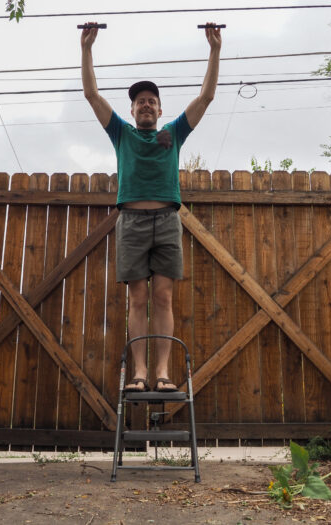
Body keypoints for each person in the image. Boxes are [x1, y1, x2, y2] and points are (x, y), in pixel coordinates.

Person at [81, 23, 221, 392]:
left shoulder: (172, 134)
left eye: (151, 101)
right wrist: (87, 49)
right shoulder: (121, 133)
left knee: (162, 297)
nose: (146, 104)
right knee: (138, 297)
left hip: (167, 220)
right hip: (131, 221)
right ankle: (140, 372)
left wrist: (214, 50)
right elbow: (92, 94)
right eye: (140, 101)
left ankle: (162, 372)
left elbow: (205, 98)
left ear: (159, 109)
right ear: (132, 109)